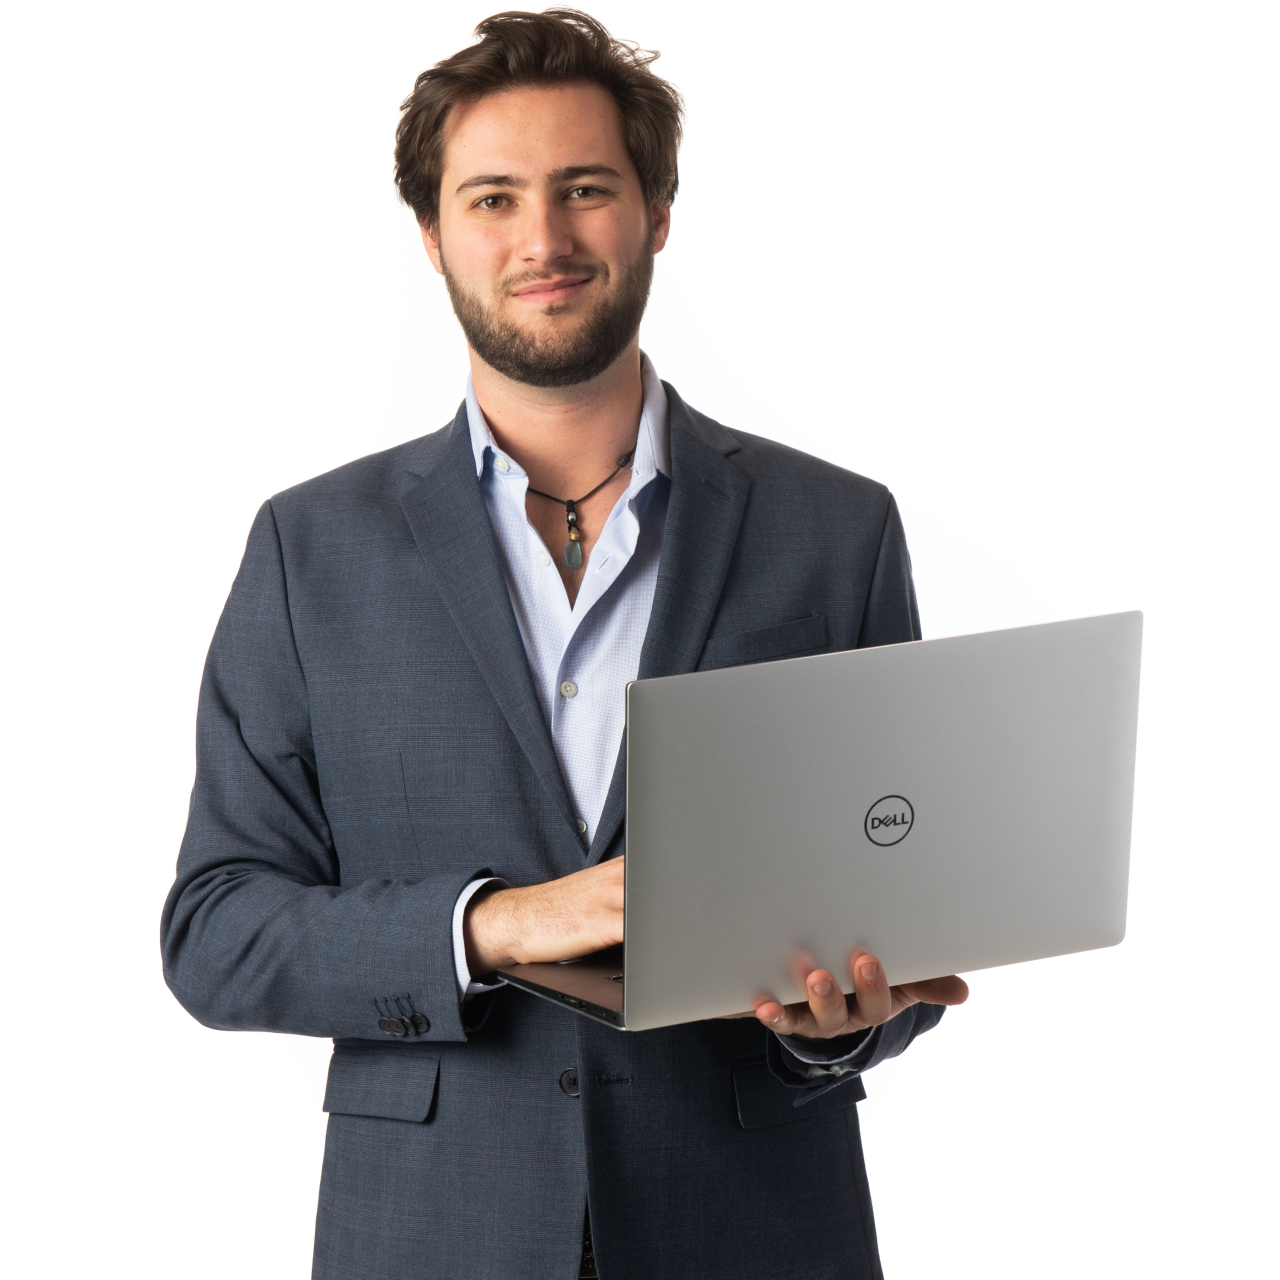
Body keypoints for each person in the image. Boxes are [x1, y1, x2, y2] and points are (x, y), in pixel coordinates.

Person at [161, 10, 968, 1279]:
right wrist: (500, 922)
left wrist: (839, 1027)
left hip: (752, 1228)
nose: (541, 239)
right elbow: (218, 930)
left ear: (655, 211)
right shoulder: (307, 550)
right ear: (432, 237)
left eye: (584, 188)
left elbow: (887, 895)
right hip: (429, 1232)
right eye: (492, 198)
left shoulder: (835, 531)